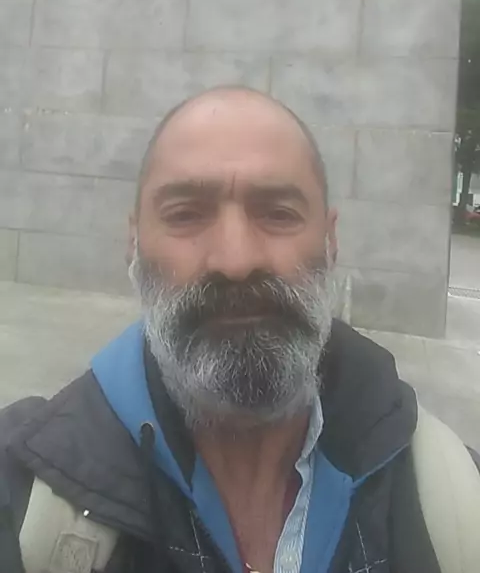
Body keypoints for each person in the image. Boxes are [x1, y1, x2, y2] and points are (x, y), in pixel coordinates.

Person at [0, 86, 478, 573]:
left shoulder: (454, 501)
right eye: (186, 214)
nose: (236, 260)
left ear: (330, 241)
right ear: (135, 242)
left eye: (278, 214)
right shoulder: (22, 489)